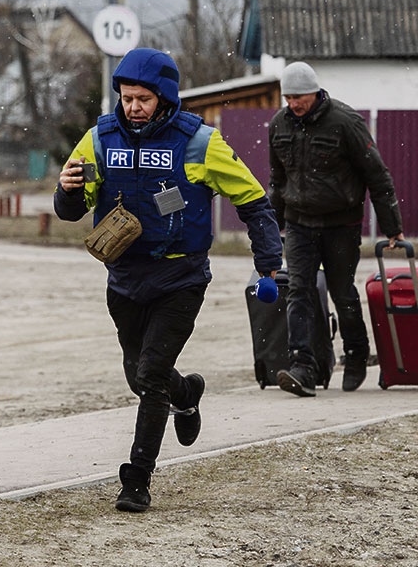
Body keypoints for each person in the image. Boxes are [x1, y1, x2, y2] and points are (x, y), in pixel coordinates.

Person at [54, 48, 282, 513]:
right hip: (124, 277)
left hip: (181, 277)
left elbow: (254, 201)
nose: (133, 107)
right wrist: (67, 189)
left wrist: (268, 262)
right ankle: (187, 393)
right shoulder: (99, 138)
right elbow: (71, 209)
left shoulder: (200, 141)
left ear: (165, 96)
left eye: (143, 99)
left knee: (151, 373)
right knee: (139, 376)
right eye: (126, 97)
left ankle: (137, 478)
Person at [268, 61, 403, 398]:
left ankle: (356, 354)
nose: (294, 103)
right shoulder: (278, 125)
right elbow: (278, 180)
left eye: (299, 96)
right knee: (299, 291)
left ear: (315, 92)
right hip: (299, 224)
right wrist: (271, 231)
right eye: (289, 97)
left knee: (342, 293)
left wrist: (392, 227)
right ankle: (304, 366)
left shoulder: (346, 122)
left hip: (340, 224)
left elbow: (378, 177)